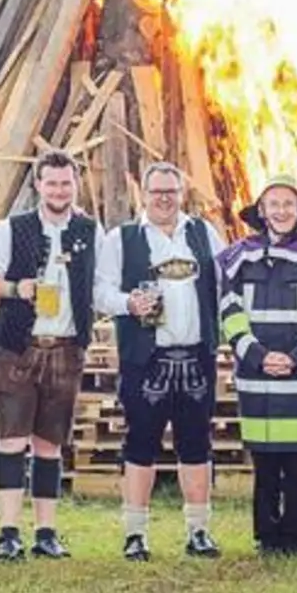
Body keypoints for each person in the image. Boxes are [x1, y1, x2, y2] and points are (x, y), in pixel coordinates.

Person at [94, 162, 225, 561]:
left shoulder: (204, 233)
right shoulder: (123, 238)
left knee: (197, 444)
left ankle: (198, 531)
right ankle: (136, 534)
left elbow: (226, 285)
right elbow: (99, 292)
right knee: (140, 443)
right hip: (145, 358)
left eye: (171, 191)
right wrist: (128, 303)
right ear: (144, 195)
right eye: (157, 192)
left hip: (196, 355)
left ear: (181, 193)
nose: (164, 198)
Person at [0, 150, 100, 562]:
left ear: (75, 185)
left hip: (65, 346)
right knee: (11, 440)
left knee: (50, 444)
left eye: (66, 182)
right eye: (52, 182)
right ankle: (8, 532)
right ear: (38, 185)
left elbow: (98, 284)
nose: (59, 189)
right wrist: (16, 289)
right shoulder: (13, 228)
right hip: (17, 345)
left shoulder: (88, 229)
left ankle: (46, 532)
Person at [215, 176, 297, 557]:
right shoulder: (239, 256)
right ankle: (267, 536)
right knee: (265, 461)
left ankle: (294, 537)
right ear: (262, 211)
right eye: (274, 204)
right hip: (257, 375)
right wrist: (257, 354)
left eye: (289, 204)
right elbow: (229, 310)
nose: (281, 211)